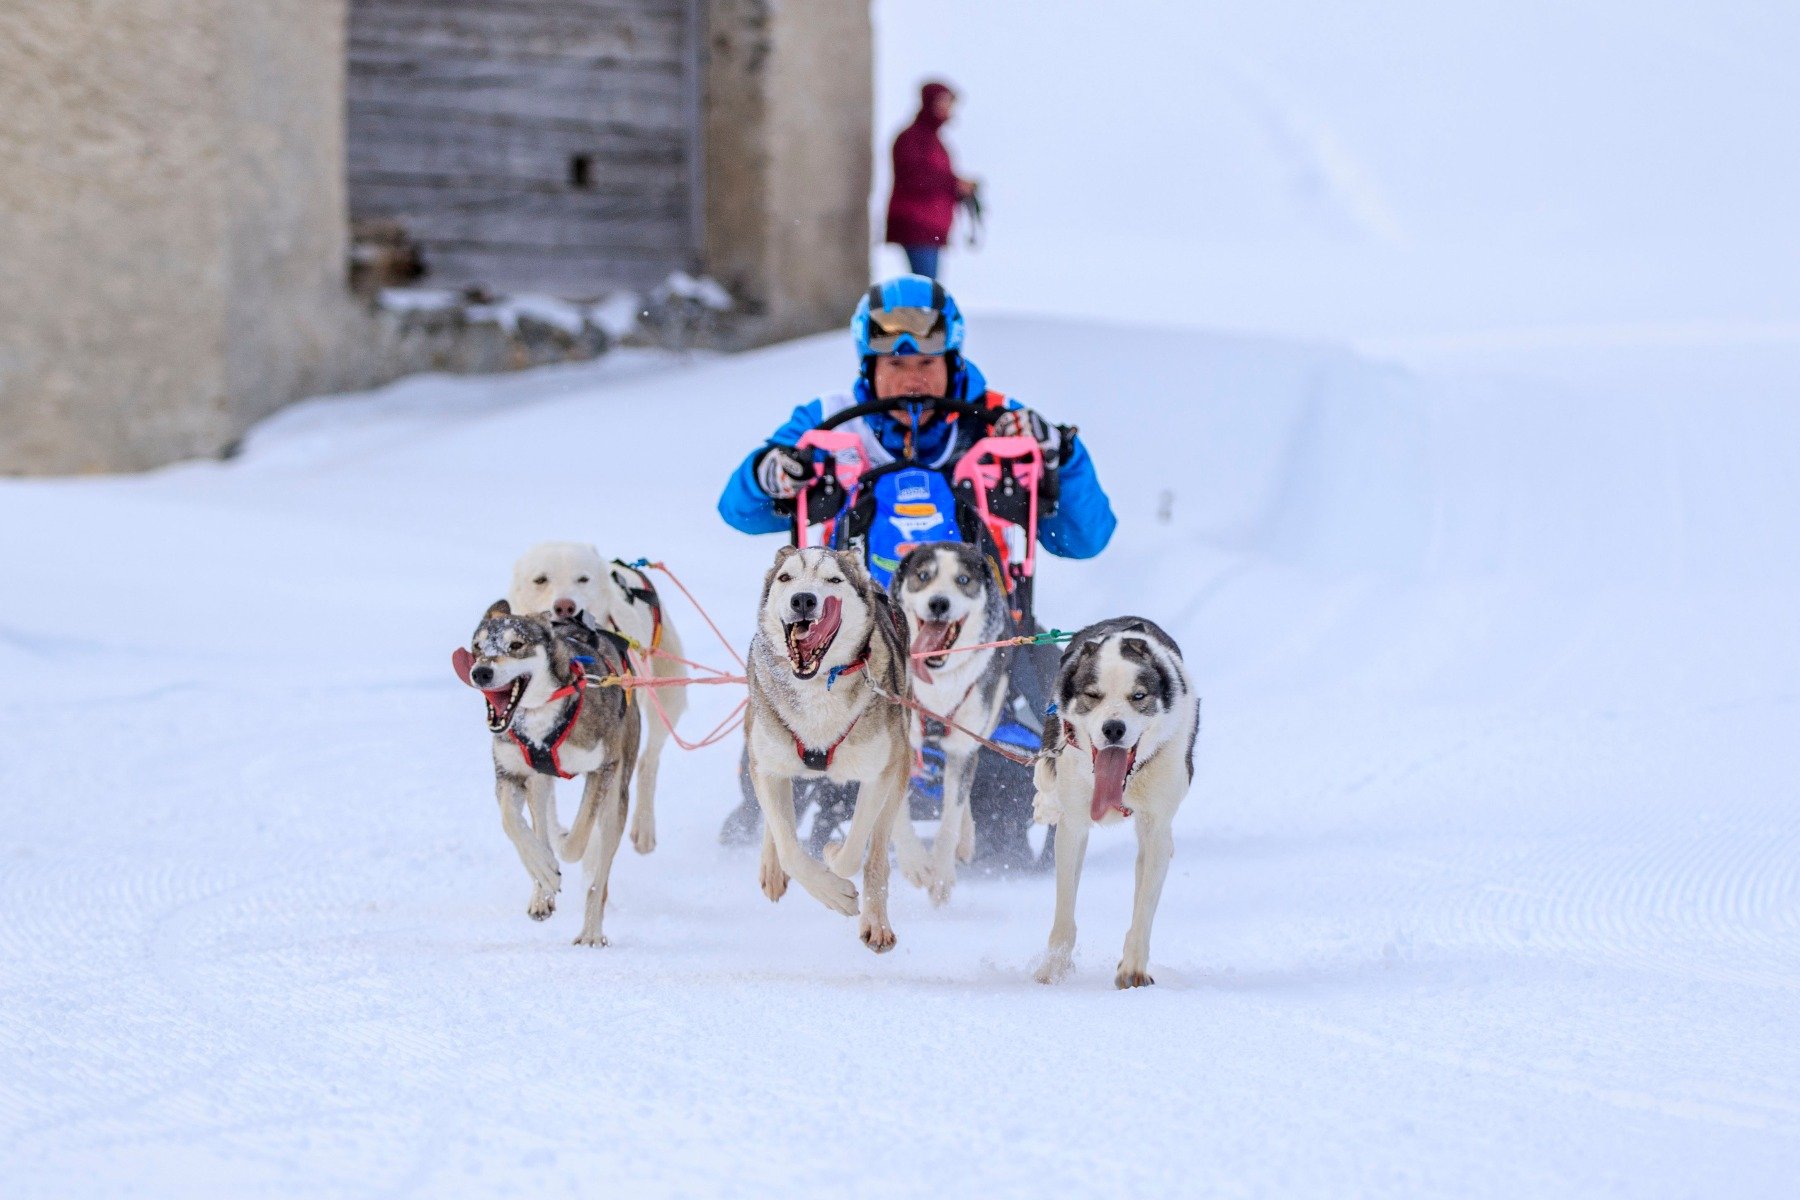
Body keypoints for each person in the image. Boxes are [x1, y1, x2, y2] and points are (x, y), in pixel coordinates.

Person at [716, 275, 1117, 869]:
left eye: (927, 362)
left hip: (989, 644)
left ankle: (1016, 854)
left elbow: (1087, 537)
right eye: (894, 363)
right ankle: (763, 828)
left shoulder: (1002, 423)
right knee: (780, 703)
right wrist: (770, 474)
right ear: (868, 365)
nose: (911, 378)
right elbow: (739, 510)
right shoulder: (826, 422)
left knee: (1036, 722)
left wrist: (1060, 451)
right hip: (848, 644)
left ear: (953, 359)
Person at [884, 81, 976, 280]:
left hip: (931, 225)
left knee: (927, 291)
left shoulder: (934, 141)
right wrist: (954, 184)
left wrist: (958, 187)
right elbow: (914, 178)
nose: (948, 110)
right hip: (917, 224)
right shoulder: (911, 138)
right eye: (943, 102)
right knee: (926, 292)